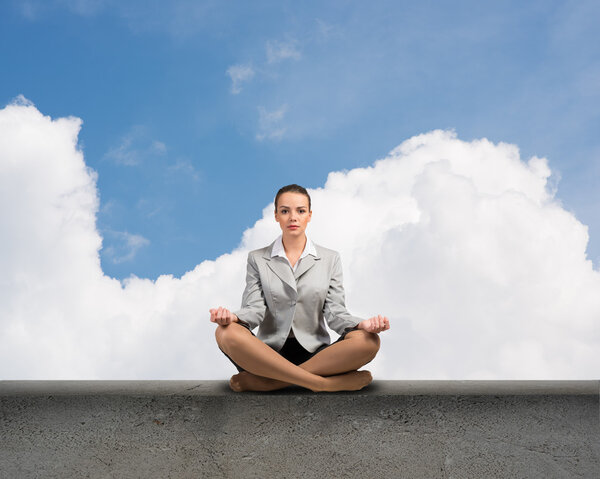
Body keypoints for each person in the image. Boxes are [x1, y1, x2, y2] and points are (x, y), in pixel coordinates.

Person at [209, 184, 390, 392]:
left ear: (309, 215)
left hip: (317, 355)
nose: (293, 217)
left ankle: (271, 383)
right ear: (276, 216)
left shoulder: (330, 259)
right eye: (285, 211)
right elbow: (254, 310)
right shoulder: (257, 259)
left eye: (300, 211)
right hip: (266, 354)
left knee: (368, 341)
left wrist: (363, 324)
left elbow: (335, 313)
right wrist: (232, 318)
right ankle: (321, 384)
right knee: (225, 333)